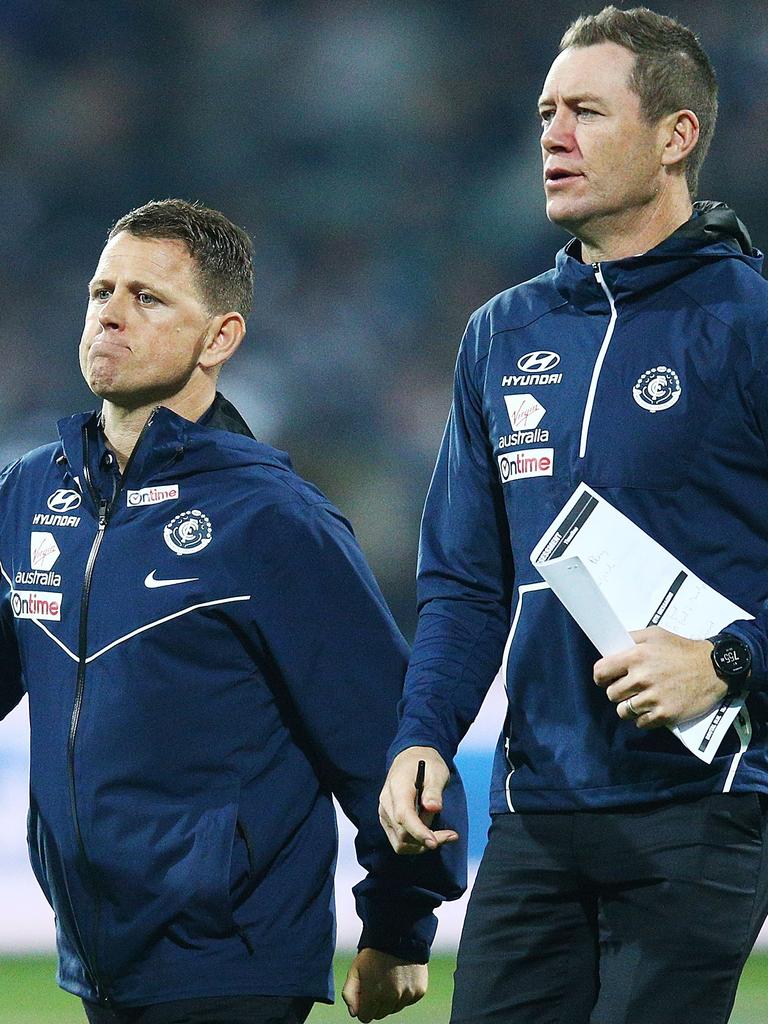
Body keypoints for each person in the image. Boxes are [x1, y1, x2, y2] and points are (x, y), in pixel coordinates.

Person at [378, 7, 768, 1023]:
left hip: (703, 805)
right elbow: (466, 581)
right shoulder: (502, 335)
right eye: (548, 111)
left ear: (676, 136)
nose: (553, 135)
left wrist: (727, 659)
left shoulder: (752, 326)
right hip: (536, 809)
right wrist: (423, 734)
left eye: (587, 111)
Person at [0, 198, 465, 1024]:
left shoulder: (270, 518)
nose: (109, 313)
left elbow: (390, 743)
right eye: (100, 290)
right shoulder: (35, 491)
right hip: (98, 961)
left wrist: (399, 926)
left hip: (234, 960)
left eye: (147, 298)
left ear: (220, 338)